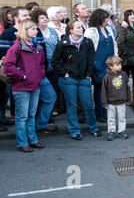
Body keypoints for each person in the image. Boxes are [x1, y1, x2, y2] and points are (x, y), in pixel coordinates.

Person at [51, 20, 101, 140]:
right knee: (72, 106)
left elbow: (91, 60)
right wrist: (65, 74)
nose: (81, 29)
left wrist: (88, 74)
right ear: (71, 30)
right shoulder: (63, 43)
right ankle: (74, 131)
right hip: (69, 80)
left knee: (88, 105)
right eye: (78, 27)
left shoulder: (87, 42)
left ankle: (93, 128)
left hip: (84, 79)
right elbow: (55, 62)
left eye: (82, 27)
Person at [3, 20, 46, 152]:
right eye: (33, 29)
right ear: (25, 30)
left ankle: (33, 140)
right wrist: (23, 76)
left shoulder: (37, 47)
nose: (36, 31)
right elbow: (8, 67)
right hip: (21, 88)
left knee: (31, 115)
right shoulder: (17, 47)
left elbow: (42, 64)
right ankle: (22, 143)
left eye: (35, 29)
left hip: (35, 85)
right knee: (22, 117)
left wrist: (39, 76)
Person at [84, 9, 118, 123]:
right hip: (97, 64)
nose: (107, 20)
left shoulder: (108, 29)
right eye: (105, 18)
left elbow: (114, 45)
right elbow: (88, 49)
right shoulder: (91, 31)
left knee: (109, 89)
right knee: (99, 90)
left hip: (109, 64)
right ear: (99, 18)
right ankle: (99, 112)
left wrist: (116, 60)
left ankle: (107, 110)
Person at [30, 8, 58, 133]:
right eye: (41, 17)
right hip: (40, 68)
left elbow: (57, 47)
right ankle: (36, 123)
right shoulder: (34, 33)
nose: (45, 19)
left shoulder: (52, 31)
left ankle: (45, 120)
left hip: (53, 66)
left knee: (51, 95)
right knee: (39, 97)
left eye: (45, 17)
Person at [102, 55, 130, 141]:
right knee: (111, 118)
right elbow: (103, 90)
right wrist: (104, 102)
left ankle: (121, 131)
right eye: (117, 65)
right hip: (111, 102)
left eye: (120, 64)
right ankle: (111, 131)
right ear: (111, 67)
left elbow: (127, 87)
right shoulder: (107, 77)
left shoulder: (124, 74)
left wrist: (128, 99)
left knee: (122, 117)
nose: (120, 66)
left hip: (121, 101)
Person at [118, 9, 134, 107]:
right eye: (130, 15)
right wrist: (127, 53)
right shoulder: (123, 28)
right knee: (125, 79)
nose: (133, 16)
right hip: (126, 58)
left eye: (133, 14)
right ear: (126, 17)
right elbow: (120, 43)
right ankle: (126, 98)